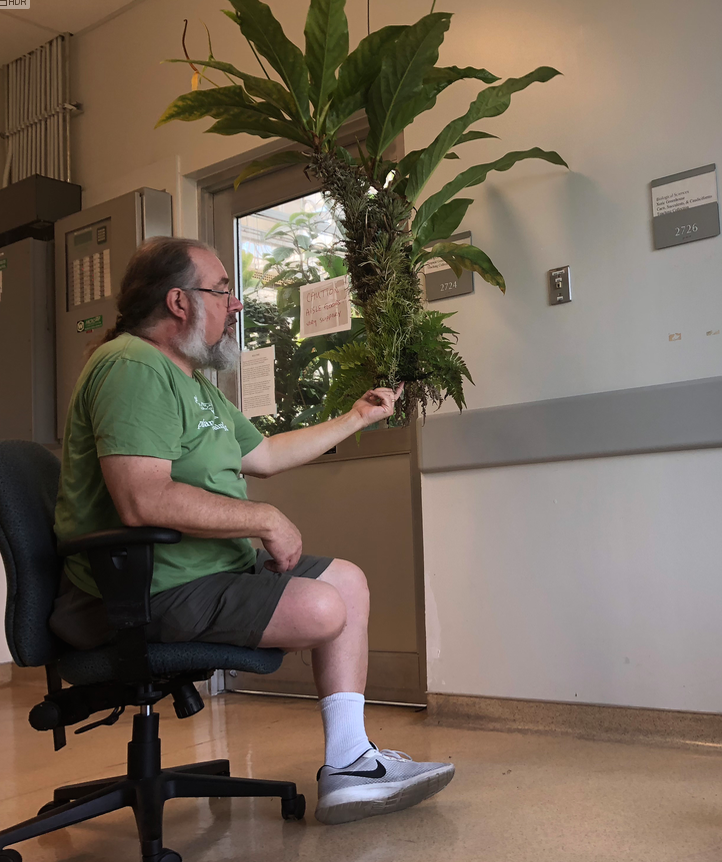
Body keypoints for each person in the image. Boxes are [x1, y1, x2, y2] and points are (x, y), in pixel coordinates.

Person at [48, 236, 453, 826]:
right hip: (141, 591)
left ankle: (350, 762)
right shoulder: (131, 367)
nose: (235, 303)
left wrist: (356, 417)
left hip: (203, 571)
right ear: (179, 302)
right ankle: (351, 765)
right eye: (222, 290)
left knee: (347, 581)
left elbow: (264, 455)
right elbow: (142, 499)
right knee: (322, 607)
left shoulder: (192, 381)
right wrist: (265, 518)